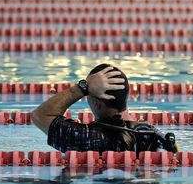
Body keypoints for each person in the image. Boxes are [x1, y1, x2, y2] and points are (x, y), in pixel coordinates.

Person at [31, 64, 178, 153]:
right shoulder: (152, 134)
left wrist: (82, 87)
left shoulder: (87, 137)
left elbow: (40, 115)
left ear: (97, 104)